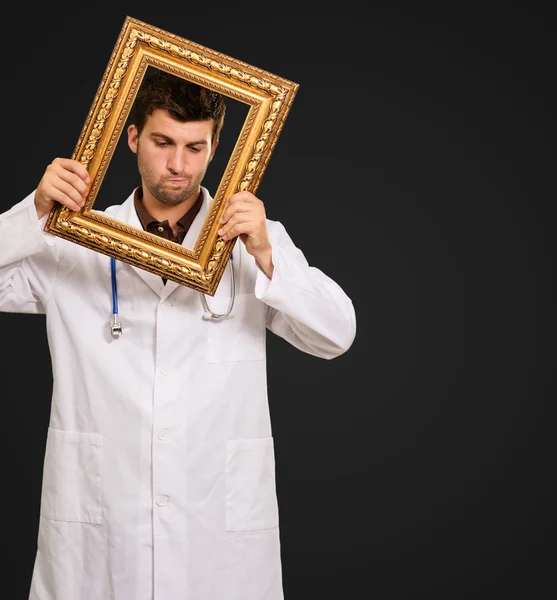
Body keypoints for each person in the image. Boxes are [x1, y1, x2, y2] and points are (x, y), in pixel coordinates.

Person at [0, 69, 356, 600]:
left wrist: (266, 255)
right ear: (132, 138)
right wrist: (32, 213)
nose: (177, 165)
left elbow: (336, 333)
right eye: (163, 142)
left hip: (218, 541)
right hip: (101, 538)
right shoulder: (71, 241)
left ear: (215, 147)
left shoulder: (250, 244)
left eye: (195, 147)